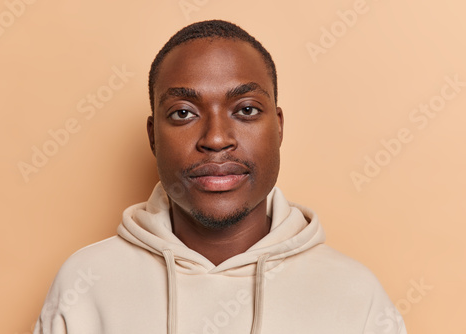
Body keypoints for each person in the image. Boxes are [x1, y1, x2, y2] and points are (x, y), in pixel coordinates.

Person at [34, 20, 406, 334]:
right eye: (183, 113)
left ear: (277, 129)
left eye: (245, 109)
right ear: (152, 136)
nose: (215, 139)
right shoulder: (84, 285)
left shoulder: (356, 295)